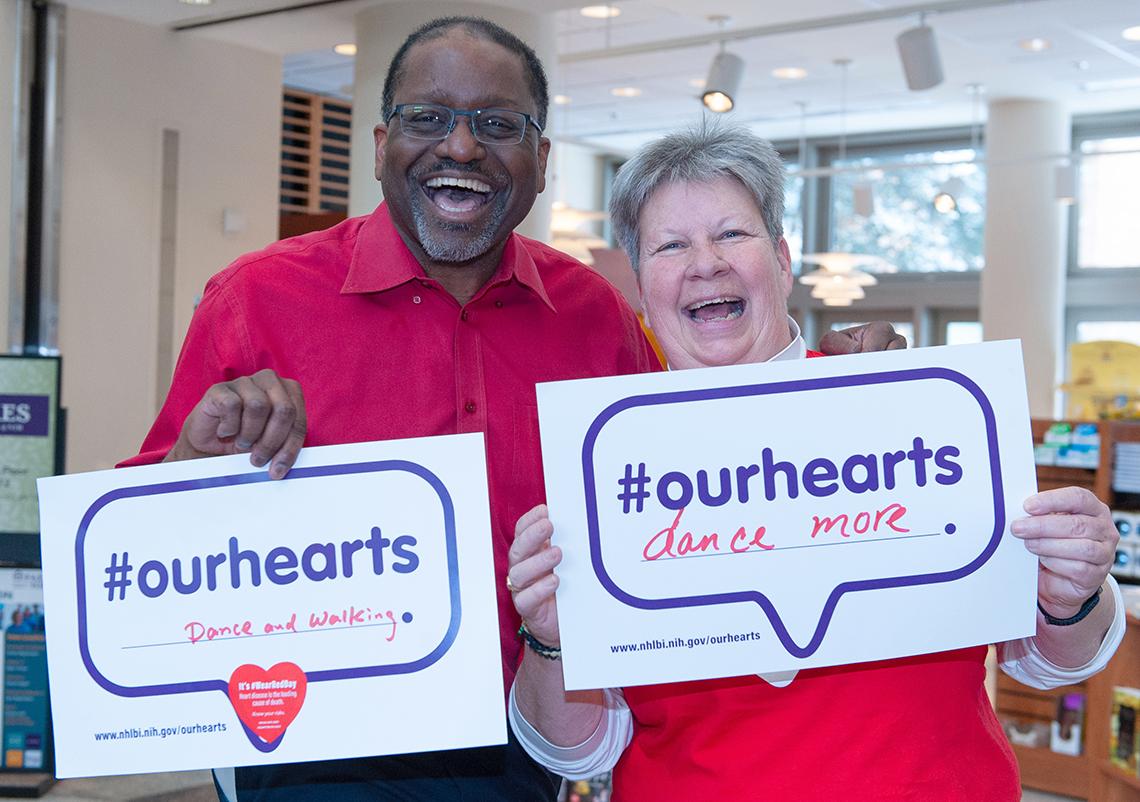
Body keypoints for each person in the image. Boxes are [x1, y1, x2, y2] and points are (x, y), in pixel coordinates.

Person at [126, 18, 902, 801]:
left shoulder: (596, 318)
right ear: (380, 145)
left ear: (542, 161)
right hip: (309, 750)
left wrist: (843, 394)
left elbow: (701, 466)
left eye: (499, 125)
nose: (461, 147)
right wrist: (192, 462)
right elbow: (130, 554)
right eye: (428, 117)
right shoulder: (257, 300)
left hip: (523, 747)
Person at [505, 124, 1125, 801]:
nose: (705, 263)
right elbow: (580, 748)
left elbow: (1044, 663)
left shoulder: (914, 411)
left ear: (781, 261)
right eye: (671, 245)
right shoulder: (608, 468)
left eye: (731, 234)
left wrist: (1072, 593)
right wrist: (552, 640)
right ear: (640, 284)